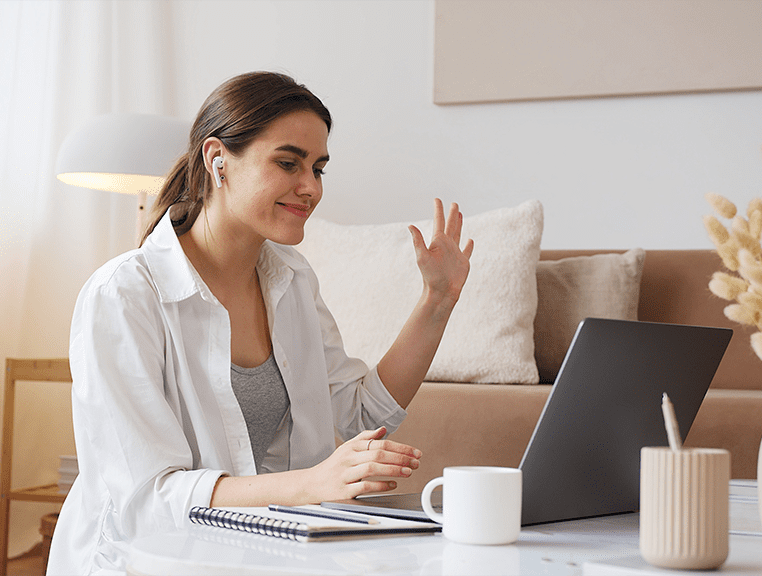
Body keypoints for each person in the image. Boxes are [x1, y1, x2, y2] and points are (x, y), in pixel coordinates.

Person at [47, 71, 474, 575]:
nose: (310, 187)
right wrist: (314, 483)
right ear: (217, 159)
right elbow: (149, 500)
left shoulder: (292, 280)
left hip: (262, 552)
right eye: (288, 163)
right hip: (146, 560)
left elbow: (359, 413)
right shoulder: (123, 295)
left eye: (318, 168)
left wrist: (437, 301)